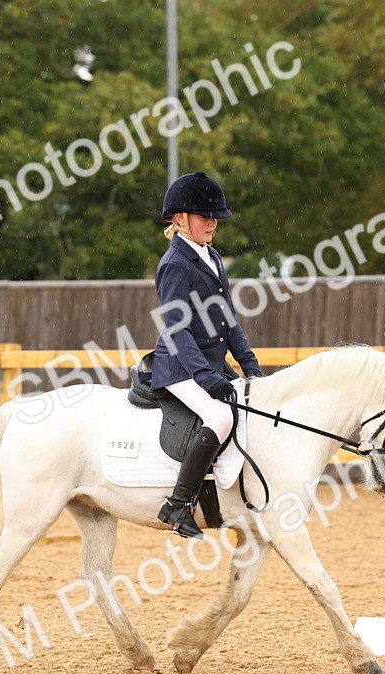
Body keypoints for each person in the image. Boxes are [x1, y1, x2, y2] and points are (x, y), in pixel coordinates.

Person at [150, 172, 262, 540]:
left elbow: (226, 318)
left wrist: (247, 362)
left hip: (211, 364)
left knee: (251, 406)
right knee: (219, 415)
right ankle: (178, 505)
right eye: (204, 216)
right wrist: (207, 377)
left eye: (215, 217)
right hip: (180, 366)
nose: (212, 222)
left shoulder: (211, 256)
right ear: (180, 219)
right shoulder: (174, 264)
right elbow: (177, 330)